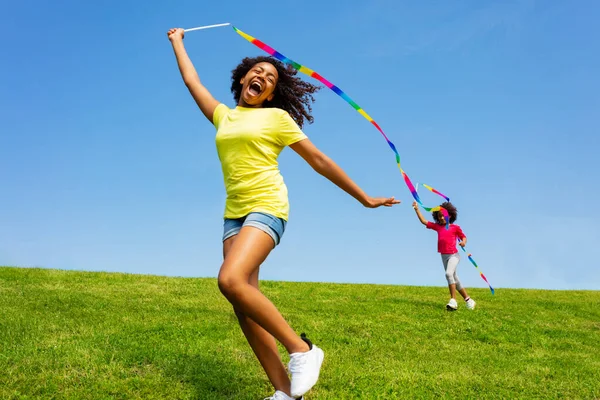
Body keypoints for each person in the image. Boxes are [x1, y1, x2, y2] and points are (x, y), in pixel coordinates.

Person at [167, 27, 400, 399]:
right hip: (235, 215)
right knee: (243, 305)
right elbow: (192, 81)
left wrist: (364, 198)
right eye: (257, 72)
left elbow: (319, 161)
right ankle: (287, 393)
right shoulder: (223, 116)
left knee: (229, 280)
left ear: (273, 93)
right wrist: (178, 43)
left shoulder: (276, 119)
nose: (261, 77)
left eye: (270, 78)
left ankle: (304, 350)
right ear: (243, 78)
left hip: (267, 206)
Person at [412, 201, 476, 311]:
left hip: (454, 256)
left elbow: (464, 237)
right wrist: (417, 209)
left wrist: (463, 242)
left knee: (448, 274)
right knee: (455, 278)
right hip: (444, 256)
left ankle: (453, 301)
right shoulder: (438, 227)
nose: (441, 218)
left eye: (443, 215)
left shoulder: (455, 227)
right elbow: (424, 221)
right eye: (439, 216)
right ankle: (469, 300)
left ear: (449, 215)